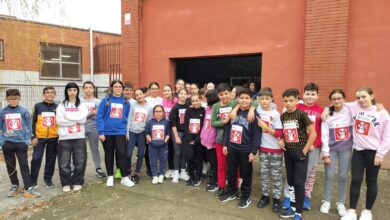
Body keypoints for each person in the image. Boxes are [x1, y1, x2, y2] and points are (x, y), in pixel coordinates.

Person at [340, 87, 390, 220]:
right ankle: (352, 211)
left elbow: (387, 136)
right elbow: (337, 102)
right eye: (358, 97)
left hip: (373, 153)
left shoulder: (382, 113)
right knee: (356, 180)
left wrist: (381, 154)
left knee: (371, 181)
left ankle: (367, 211)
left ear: (372, 96)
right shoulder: (354, 106)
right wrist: (328, 109)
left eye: (364, 96)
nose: (361, 100)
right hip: (358, 151)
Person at [219, 88, 262, 209]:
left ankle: (245, 196)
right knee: (231, 171)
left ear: (251, 100)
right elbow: (228, 129)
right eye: (242, 98)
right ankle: (231, 192)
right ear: (238, 99)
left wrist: (254, 151)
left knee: (246, 174)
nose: (244, 100)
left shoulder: (253, 115)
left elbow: (257, 135)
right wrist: (225, 144)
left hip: (245, 150)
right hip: (232, 148)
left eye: (247, 98)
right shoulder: (234, 112)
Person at [279, 88, 317, 220]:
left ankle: (298, 212)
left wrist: (305, 151)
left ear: (296, 100)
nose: (288, 103)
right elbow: (285, 132)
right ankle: (292, 207)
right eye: (285, 101)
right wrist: (282, 140)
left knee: (299, 183)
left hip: (300, 152)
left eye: (291, 100)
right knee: (290, 181)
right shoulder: (283, 116)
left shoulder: (301, 114)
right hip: (288, 152)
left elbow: (313, 133)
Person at [0, 89, 41, 198]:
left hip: (21, 144)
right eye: (10, 99)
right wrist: (1, 142)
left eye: (15, 98)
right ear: (6, 99)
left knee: (24, 165)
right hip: (7, 143)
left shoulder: (24, 111)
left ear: (19, 98)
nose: (12, 101)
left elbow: (28, 126)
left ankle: (29, 186)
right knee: (10, 166)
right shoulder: (2, 112)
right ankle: (14, 185)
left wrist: (26, 140)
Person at [319, 89, 352, 217]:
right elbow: (325, 135)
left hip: (346, 149)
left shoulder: (350, 110)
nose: (337, 101)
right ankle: (327, 200)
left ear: (344, 99)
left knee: (343, 176)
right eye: (334, 99)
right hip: (331, 149)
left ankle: (340, 203)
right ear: (331, 101)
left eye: (339, 98)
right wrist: (325, 154)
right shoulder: (328, 115)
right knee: (329, 175)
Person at [96, 79, 134, 187]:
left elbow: (126, 118)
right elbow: (99, 117)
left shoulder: (126, 102)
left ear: (122, 89)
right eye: (116, 86)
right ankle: (110, 176)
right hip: (107, 132)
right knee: (109, 154)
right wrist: (101, 132)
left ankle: (124, 177)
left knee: (122, 154)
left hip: (120, 132)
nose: (118, 88)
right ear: (112, 88)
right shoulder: (105, 101)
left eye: (120, 86)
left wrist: (126, 132)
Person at [255, 87, 284, 213]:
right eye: (261, 99)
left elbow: (279, 133)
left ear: (271, 99)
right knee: (264, 175)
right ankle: (265, 196)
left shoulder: (276, 114)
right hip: (263, 149)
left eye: (267, 99)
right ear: (258, 99)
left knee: (276, 176)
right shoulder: (257, 111)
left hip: (276, 150)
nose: (264, 101)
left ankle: (277, 199)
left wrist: (265, 127)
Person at [56, 82, 89, 192]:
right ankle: (66, 183)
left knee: (80, 161)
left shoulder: (82, 105)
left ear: (77, 91)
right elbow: (60, 121)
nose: (72, 92)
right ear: (66, 91)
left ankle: (77, 181)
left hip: (79, 137)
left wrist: (68, 117)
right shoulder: (61, 105)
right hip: (65, 138)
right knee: (64, 162)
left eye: (74, 90)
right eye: (69, 90)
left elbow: (83, 120)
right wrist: (76, 120)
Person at [30, 86, 58, 189]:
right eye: (47, 92)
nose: (50, 94)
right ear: (44, 94)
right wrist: (33, 136)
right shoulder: (38, 106)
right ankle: (33, 181)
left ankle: (48, 180)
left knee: (51, 159)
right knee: (36, 159)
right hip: (39, 138)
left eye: (52, 92)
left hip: (54, 138)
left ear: (55, 94)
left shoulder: (58, 107)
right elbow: (32, 122)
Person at [127, 88, 153, 184]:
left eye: (140, 94)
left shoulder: (150, 107)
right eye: (136, 95)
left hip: (142, 132)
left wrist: (147, 135)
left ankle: (137, 173)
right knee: (129, 153)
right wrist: (127, 132)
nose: (139, 96)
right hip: (132, 131)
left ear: (144, 94)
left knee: (141, 154)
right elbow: (129, 118)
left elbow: (149, 122)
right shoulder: (132, 104)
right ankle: (129, 169)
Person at [81, 81, 106, 178]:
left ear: (93, 89)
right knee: (80, 149)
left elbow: (100, 115)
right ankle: (77, 169)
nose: (88, 89)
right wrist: (91, 113)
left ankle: (98, 168)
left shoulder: (98, 102)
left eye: (90, 87)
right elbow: (78, 115)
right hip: (81, 127)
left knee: (94, 148)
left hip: (94, 127)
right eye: (86, 87)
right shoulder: (79, 101)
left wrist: (85, 114)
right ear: (83, 89)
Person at [184, 94, 205, 187]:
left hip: (199, 139)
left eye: (197, 100)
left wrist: (197, 139)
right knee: (189, 157)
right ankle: (191, 176)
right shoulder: (188, 111)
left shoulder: (204, 111)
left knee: (199, 158)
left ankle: (198, 177)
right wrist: (189, 138)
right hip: (189, 139)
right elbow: (185, 124)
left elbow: (204, 126)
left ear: (200, 100)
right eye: (193, 101)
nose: (195, 102)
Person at [169, 89, 190, 183]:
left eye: (185, 94)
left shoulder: (189, 107)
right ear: (178, 95)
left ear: (187, 95)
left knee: (184, 153)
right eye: (181, 93)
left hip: (187, 133)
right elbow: (172, 123)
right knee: (177, 152)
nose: (183, 95)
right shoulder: (175, 107)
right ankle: (176, 172)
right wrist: (176, 136)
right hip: (177, 132)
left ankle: (183, 171)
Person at [145, 105, 170, 184]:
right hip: (153, 146)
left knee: (163, 161)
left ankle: (161, 175)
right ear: (153, 113)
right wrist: (151, 141)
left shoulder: (166, 122)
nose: (158, 113)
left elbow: (168, 134)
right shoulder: (149, 122)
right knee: (153, 161)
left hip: (163, 146)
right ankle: (155, 175)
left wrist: (164, 142)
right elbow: (147, 133)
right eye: (156, 111)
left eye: (160, 111)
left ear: (163, 113)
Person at [200, 89, 219, 192]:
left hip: (213, 142)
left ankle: (215, 182)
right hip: (206, 140)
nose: (204, 98)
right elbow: (205, 125)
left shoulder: (216, 109)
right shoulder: (207, 109)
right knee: (210, 161)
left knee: (214, 162)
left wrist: (211, 141)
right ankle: (212, 177)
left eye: (206, 97)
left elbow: (213, 128)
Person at [162, 84, 178, 178]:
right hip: (165, 128)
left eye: (168, 90)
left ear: (171, 91)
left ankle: (176, 169)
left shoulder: (176, 101)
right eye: (164, 90)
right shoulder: (162, 101)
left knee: (175, 150)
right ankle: (170, 168)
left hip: (174, 128)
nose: (166, 92)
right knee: (168, 150)